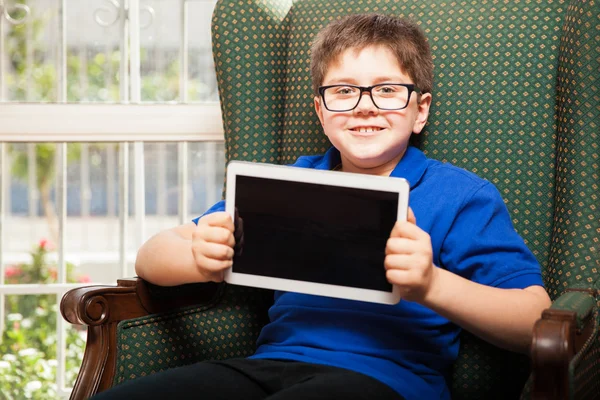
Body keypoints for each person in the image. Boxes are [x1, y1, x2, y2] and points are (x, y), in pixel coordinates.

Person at [94, 13, 551, 400]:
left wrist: (431, 284)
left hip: (387, 381)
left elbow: (533, 319)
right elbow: (150, 257)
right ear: (320, 110)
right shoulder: (288, 183)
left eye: (388, 90)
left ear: (421, 110)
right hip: (269, 367)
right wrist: (198, 256)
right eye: (343, 91)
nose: (364, 107)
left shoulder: (461, 195)